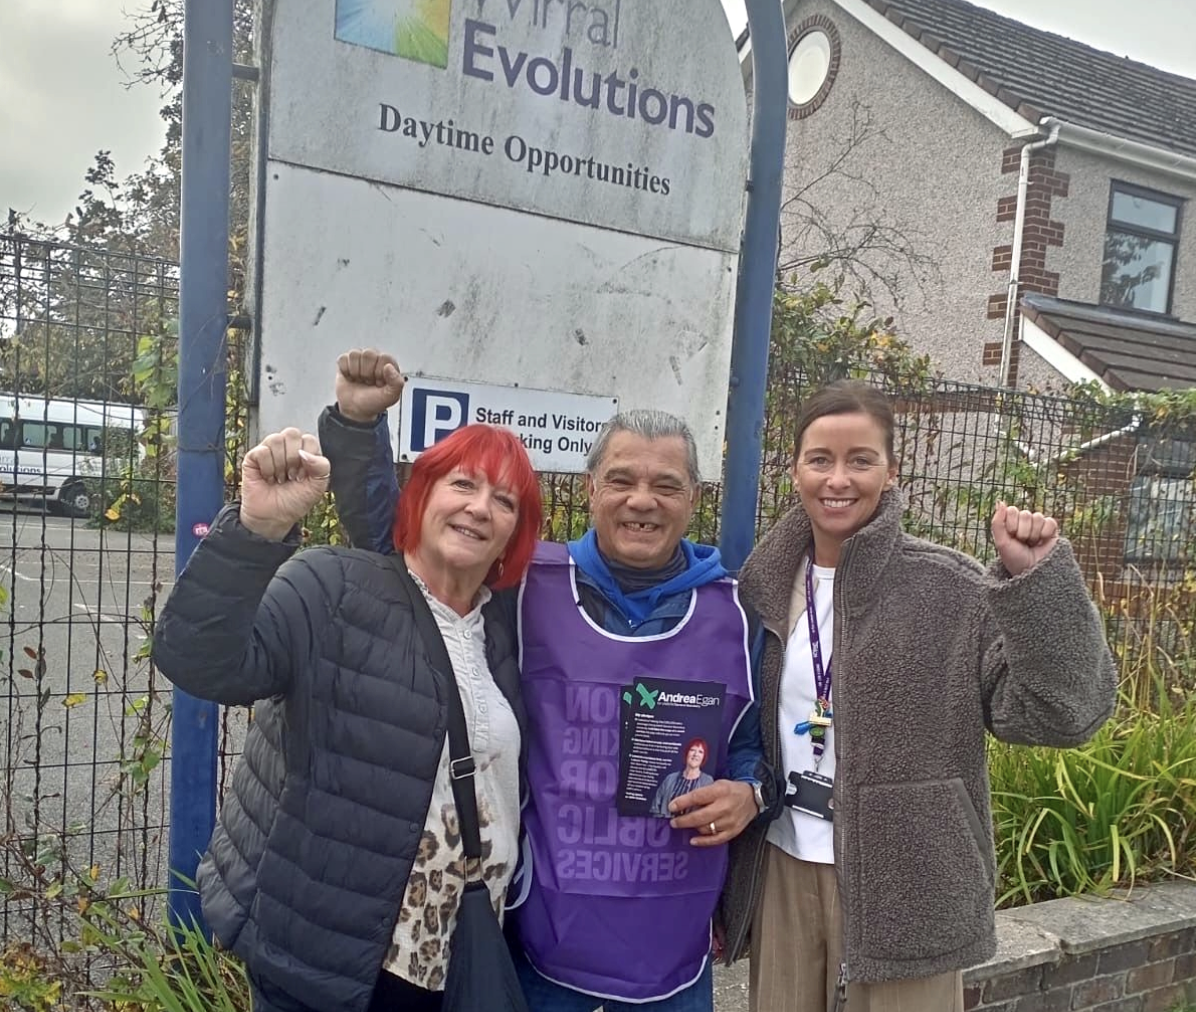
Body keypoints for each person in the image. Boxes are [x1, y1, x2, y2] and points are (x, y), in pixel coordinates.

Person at [318, 349, 779, 1012]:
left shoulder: (735, 613)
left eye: (667, 485)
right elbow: (409, 550)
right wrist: (358, 431)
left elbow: (756, 747)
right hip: (538, 953)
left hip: (672, 963)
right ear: (590, 487)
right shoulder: (527, 587)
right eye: (621, 480)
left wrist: (747, 793)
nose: (642, 501)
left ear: (695, 499)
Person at [717, 380, 1118, 1012]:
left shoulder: (947, 588)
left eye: (861, 459)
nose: (838, 479)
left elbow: (1065, 714)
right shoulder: (757, 588)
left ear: (892, 472)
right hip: (782, 867)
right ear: (794, 469)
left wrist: (1039, 584)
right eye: (820, 459)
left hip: (912, 883)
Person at [152, 422, 543, 1012]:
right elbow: (202, 663)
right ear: (422, 493)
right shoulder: (331, 586)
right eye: (464, 483)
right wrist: (257, 529)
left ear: (515, 532)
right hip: (329, 966)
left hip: (454, 959)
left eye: (505, 499)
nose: (480, 508)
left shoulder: (504, 630)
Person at [652, 738, 716, 818]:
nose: (696, 754)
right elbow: (655, 806)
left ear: (704, 757)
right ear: (686, 753)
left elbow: (709, 811)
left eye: (700, 752)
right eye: (692, 750)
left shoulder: (708, 782)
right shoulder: (670, 778)